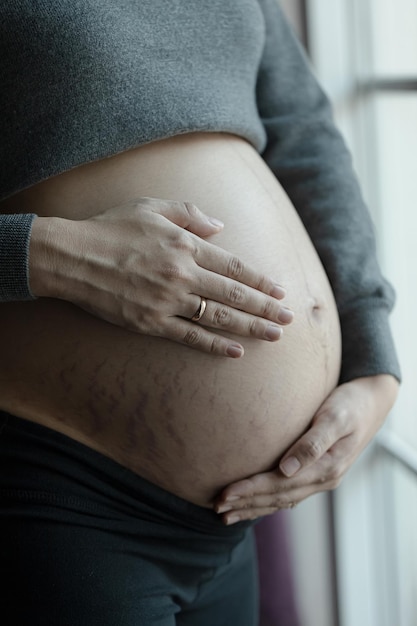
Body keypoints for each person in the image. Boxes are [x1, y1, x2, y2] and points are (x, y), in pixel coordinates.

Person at [0, 1, 400, 625]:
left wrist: (373, 357)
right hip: (65, 498)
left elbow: (304, 136)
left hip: (228, 527)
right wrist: (56, 256)